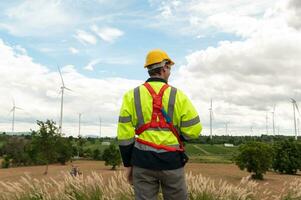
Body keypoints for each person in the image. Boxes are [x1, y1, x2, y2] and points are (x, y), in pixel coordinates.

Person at [117, 49, 202, 200]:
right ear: (164, 68)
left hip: (142, 162)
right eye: (169, 68)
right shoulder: (178, 95)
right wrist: (178, 137)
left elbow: (124, 135)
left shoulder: (131, 95)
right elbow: (194, 130)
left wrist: (128, 163)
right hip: (172, 162)